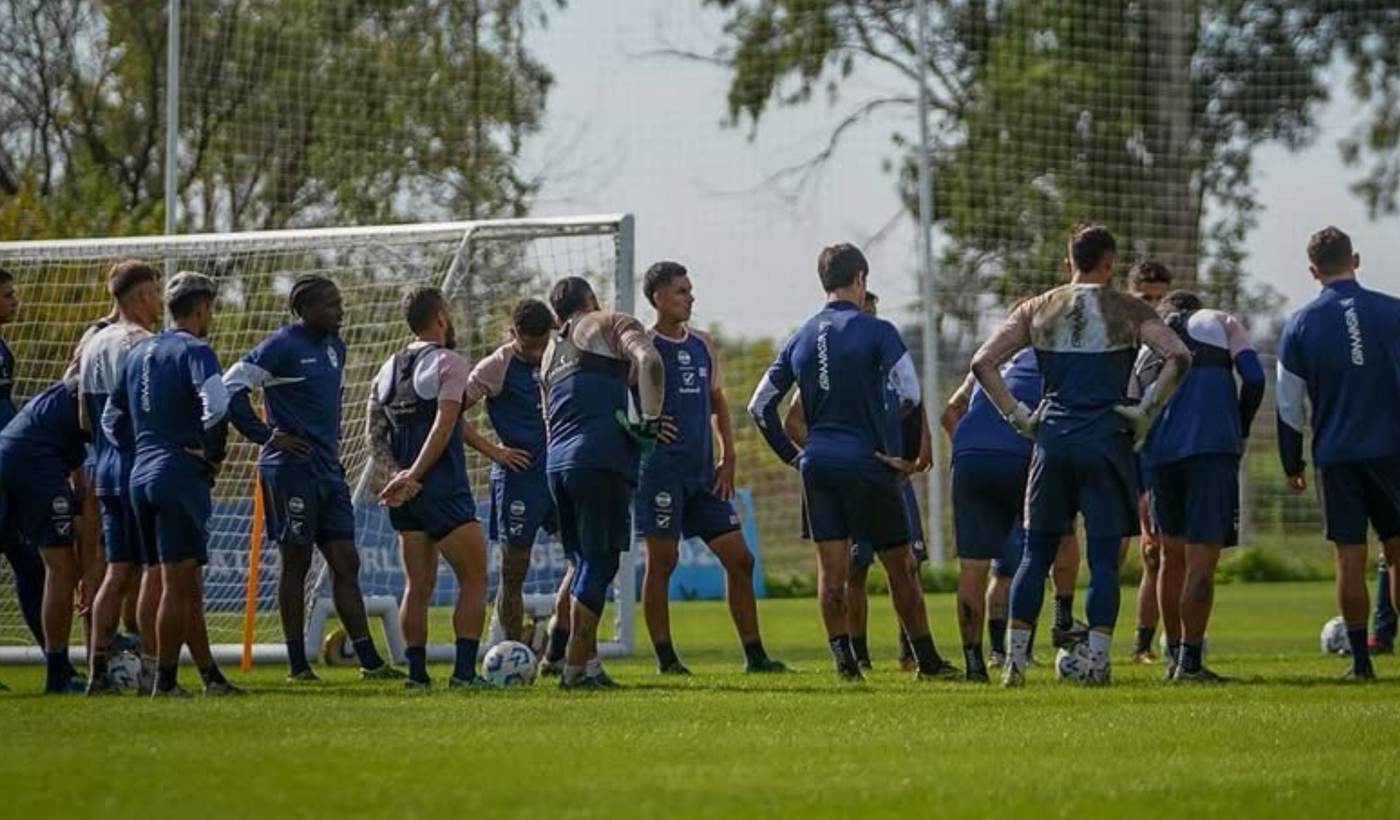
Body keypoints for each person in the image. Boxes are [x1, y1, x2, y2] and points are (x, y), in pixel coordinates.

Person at [969, 224, 1191, 687]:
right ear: (1109, 263)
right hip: (1106, 439)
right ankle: (1095, 662)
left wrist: (1019, 417)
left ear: (1069, 262)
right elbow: (1179, 356)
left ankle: (1013, 664)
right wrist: (1145, 412)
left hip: (1051, 440)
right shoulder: (1129, 308)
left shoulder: (1036, 308)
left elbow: (982, 362)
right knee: (1105, 559)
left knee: (1035, 555)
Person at [749, 242, 953, 681]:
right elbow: (912, 393)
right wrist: (908, 456)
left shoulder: (800, 336)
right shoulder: (878, 331)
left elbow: (759, 405)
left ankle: (845, 664)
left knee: (832, 570)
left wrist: (794, 457)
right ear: (860, 278)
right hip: (868, 462)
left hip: (818, 464)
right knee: (900, 566)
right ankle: (928, 661)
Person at [224, 275, 401, 681]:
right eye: (331, 305)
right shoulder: (281, 345)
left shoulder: (337, 348)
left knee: (346, 561)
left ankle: (369, 661)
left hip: (327, 469)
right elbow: (230, 388)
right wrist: (268, 436)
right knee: (296, 562)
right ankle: (297, 663)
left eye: (340, 303)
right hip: (290, 471)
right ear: (305, 310)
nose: (340, 311)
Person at [634, 261, 786, 674]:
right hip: (660, 473)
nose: (690, 298)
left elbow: (717, 401)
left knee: (741, 560)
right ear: (659, 297)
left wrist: (729, 456)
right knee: (661, 562)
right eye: (682, 291)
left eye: (690, 289)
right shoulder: (642, 346)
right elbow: (617, 405)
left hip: (704, 474)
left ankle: (755, 656)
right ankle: (667, 659)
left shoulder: (702, 343)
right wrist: (640, 427)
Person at [107, 272, 240, 697]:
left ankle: (209, 677)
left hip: (139, 477)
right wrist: (212, 455)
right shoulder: (196, 349)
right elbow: (217, 403)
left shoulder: (138, 352)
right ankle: (164, 681)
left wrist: (143, 450)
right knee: (178, 588)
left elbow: (110, 420)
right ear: (201, 309)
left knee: (173, 582)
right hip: (177, 475)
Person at [1277, 226, 1400, 681]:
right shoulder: (1393, 311)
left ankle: (1361, 663)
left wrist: (1293, 464)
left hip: (1336, 454)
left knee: (1350, 556)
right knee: (1398, 551)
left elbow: (1288, 404)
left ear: (1313, 271)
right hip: (1391, 450)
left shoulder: (1300, 324)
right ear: (1357, 259)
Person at [783, 289, 929, 671]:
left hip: (892, 476)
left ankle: (912, 656)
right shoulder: (835, 369)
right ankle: (856, 655)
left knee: (908, 564)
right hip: (854, 472)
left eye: (873, 311)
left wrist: (916, 453)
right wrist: (814, 452)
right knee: (853, 569)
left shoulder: (888, 365)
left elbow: (916, 405)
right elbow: (792, 419)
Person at [541, 276, 664, 689]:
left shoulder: (549, 352)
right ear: (591, 299)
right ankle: (574, 669)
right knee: (602, 561)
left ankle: (588, 666)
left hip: (556, 462)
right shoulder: (610, 321)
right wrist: (650, 419)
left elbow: (549, 418)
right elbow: (650, 362)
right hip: (600, 457)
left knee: (580, 563)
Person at [1137, 290, 1264, 681]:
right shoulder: (1222, 322)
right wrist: (1239, 425)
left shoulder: (1148, 342)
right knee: (1201, 561)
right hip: (1212, 450)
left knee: (1171, 560)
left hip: (1159, 458)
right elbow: (1255, 377)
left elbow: (1128, 403)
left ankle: (1174, 657)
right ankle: (1191, 662)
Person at [369, 286, 492, 690]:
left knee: (416, 586)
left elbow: (375, 436)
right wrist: (416, 475)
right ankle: (463, 674)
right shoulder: (450, 363)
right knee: (475, 578)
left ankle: (417, 675)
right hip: (440, 490)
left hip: (403, 497)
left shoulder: (385, 369)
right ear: (440, 316)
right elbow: (444, 426)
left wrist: (396, 476)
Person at [79, 261, 165, 694]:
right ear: (141, 296)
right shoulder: (140, 343)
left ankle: (97, 672)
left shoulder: (93, 342)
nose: (160, 300)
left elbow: (82, 415)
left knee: (116, 571)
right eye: (155, 292)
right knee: (153, 569)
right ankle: (153, 675)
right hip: (137, 464)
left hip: (102, 465)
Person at [459, 299, 558, 652]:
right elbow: (449, 413)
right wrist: (495, 452)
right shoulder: (496, 365)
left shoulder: (562, 354)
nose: (535, 352)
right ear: (514, 333)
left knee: (585, 559)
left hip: (560, 473)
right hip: (519, 479)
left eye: (541, 343)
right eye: (527, 345)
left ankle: (564, 648)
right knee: (514, 571)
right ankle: (514, 652)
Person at [943, 345, 1041, 682]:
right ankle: (1021, 654)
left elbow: (950, 411)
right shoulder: (1052, 354)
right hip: (1020, 456)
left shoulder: (991, 357)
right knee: (1041, 553)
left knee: (973, 567)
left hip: (969, 457)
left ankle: (974, 665)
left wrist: (969, 446)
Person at [0, 267, 46, 691]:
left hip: (8, 470)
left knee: (32, 564)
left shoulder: (4, 348)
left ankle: (58, 664)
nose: (15, 302)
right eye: (7, 295)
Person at [1125, 261, 1173, 663]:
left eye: (1160, 299)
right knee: (1112, 550)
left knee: (1154, 553)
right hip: (1119, 457)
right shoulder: (1119, 342)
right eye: (1145, 299)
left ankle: (1142, 645)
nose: (1153, 307)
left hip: (1155, 459)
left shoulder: (1172, 344)